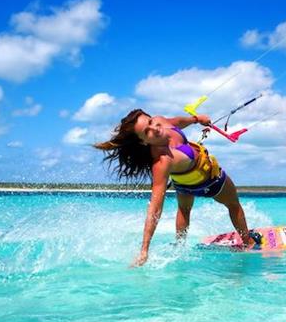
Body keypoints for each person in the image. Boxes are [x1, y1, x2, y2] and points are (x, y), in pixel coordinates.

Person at [94, 109, 257, 267]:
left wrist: (196, 119)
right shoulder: (161, 162)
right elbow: (155, 208)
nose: (154, 128)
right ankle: (247, 242)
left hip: (182, 184)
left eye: (150, 121)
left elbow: (177, 122)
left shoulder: (160, 121)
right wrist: (144, 250)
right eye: (147, 132)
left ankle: (180, 246)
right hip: (208, 180)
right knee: (233, 204)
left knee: (184, 210)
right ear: (143, 142)